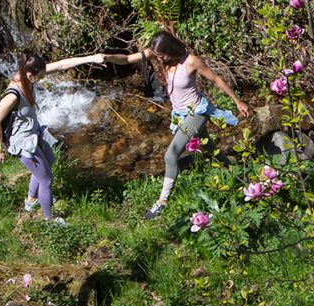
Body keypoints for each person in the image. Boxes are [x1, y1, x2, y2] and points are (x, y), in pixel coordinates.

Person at [104, 31, 250, 217]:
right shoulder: (156, 55)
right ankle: (238, 175)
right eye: (156, 56)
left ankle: (162, 202)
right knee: (208, 148)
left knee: (170, 156)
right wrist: (108, 57)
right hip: (180, 114)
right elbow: (126, 59)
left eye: (161, 55)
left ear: (170, 49)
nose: (159, 59)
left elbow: (216, 79)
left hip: (197, 112)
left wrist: (238, 101)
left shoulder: (190, 61)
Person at [0, 50, 107, 222]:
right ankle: (49, 220)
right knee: (46, 180)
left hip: (33, 132)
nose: (42, 78)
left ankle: (31, 200)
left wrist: (92, 58)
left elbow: (61, 65)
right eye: (40, 75)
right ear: (30, 75)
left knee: (49, 161)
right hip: (23, 143)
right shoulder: (13, 94)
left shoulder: (26, 76)